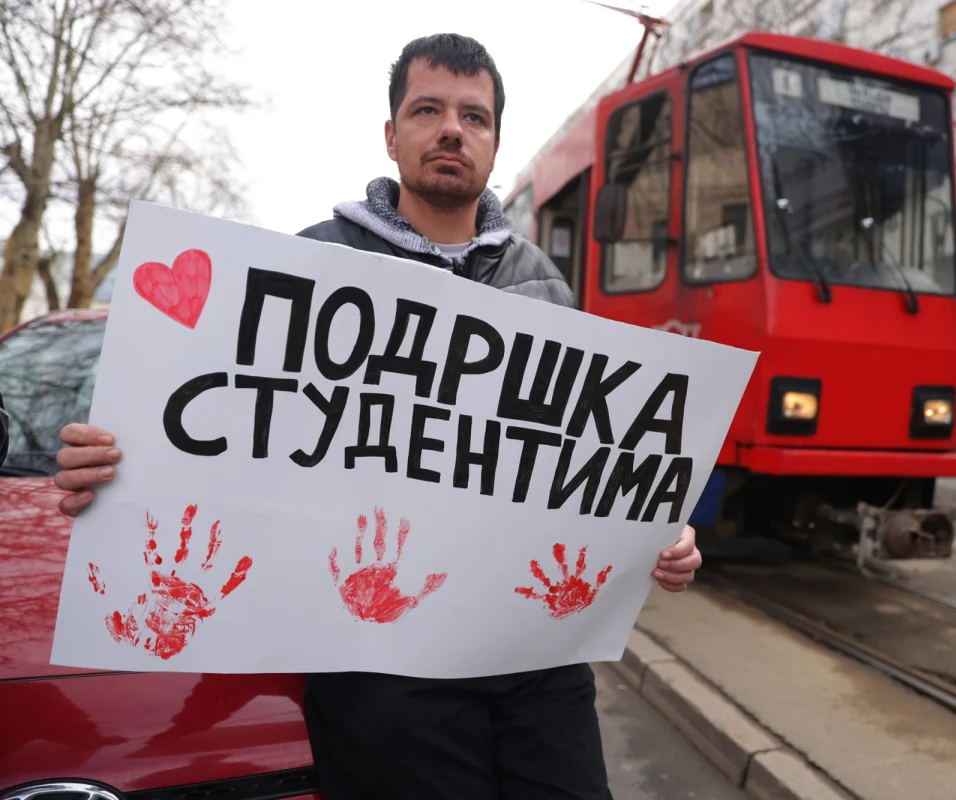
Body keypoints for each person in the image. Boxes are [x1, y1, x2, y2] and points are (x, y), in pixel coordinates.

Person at [51, 33, 703, 800]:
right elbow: (221, 432)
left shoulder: (546, 289)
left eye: (474, 116)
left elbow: (574, 462)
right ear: (392, 135)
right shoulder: (304, 269)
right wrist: (116, 468)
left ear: (494, 144)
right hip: (382, 677)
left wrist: (654, 530)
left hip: (537, 670)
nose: (452, 129)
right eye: (427, 109)